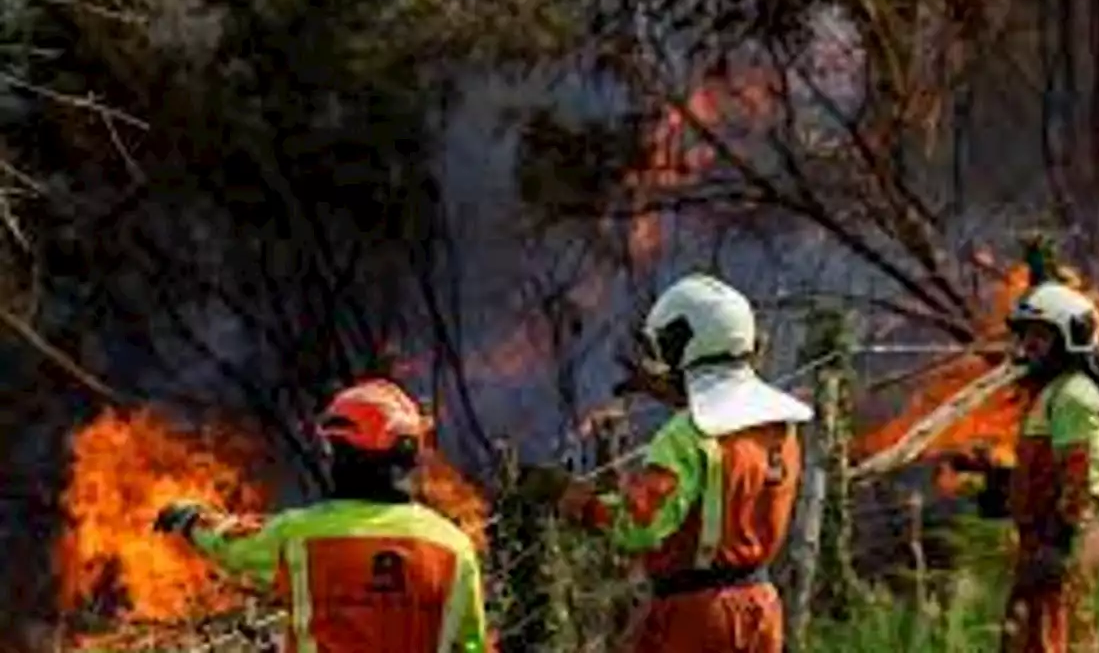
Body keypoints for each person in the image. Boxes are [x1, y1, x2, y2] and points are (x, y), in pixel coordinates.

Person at [548, 272, 814, 652]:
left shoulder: (687, 435)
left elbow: (638, 527)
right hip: (761, 606)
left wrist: (580, 503)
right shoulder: (779, 425)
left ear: (681, 347)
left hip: (697, 617)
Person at [154, 378, 491, 653]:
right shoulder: (453, 547)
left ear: (346, 455)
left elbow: (231, 545)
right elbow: (472, 643)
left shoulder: (301, 534)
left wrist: (190, 518)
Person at [1001, 282, 1099, 653]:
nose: (1028, 346)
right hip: (1042, 539)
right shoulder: (1054, 392)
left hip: (1063, 538)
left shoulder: (1073, 394)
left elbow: (1079, 475)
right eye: (1027, 335)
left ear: (1071, 337)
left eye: (1040, 336)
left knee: (1050, 639)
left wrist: (1057, 545)